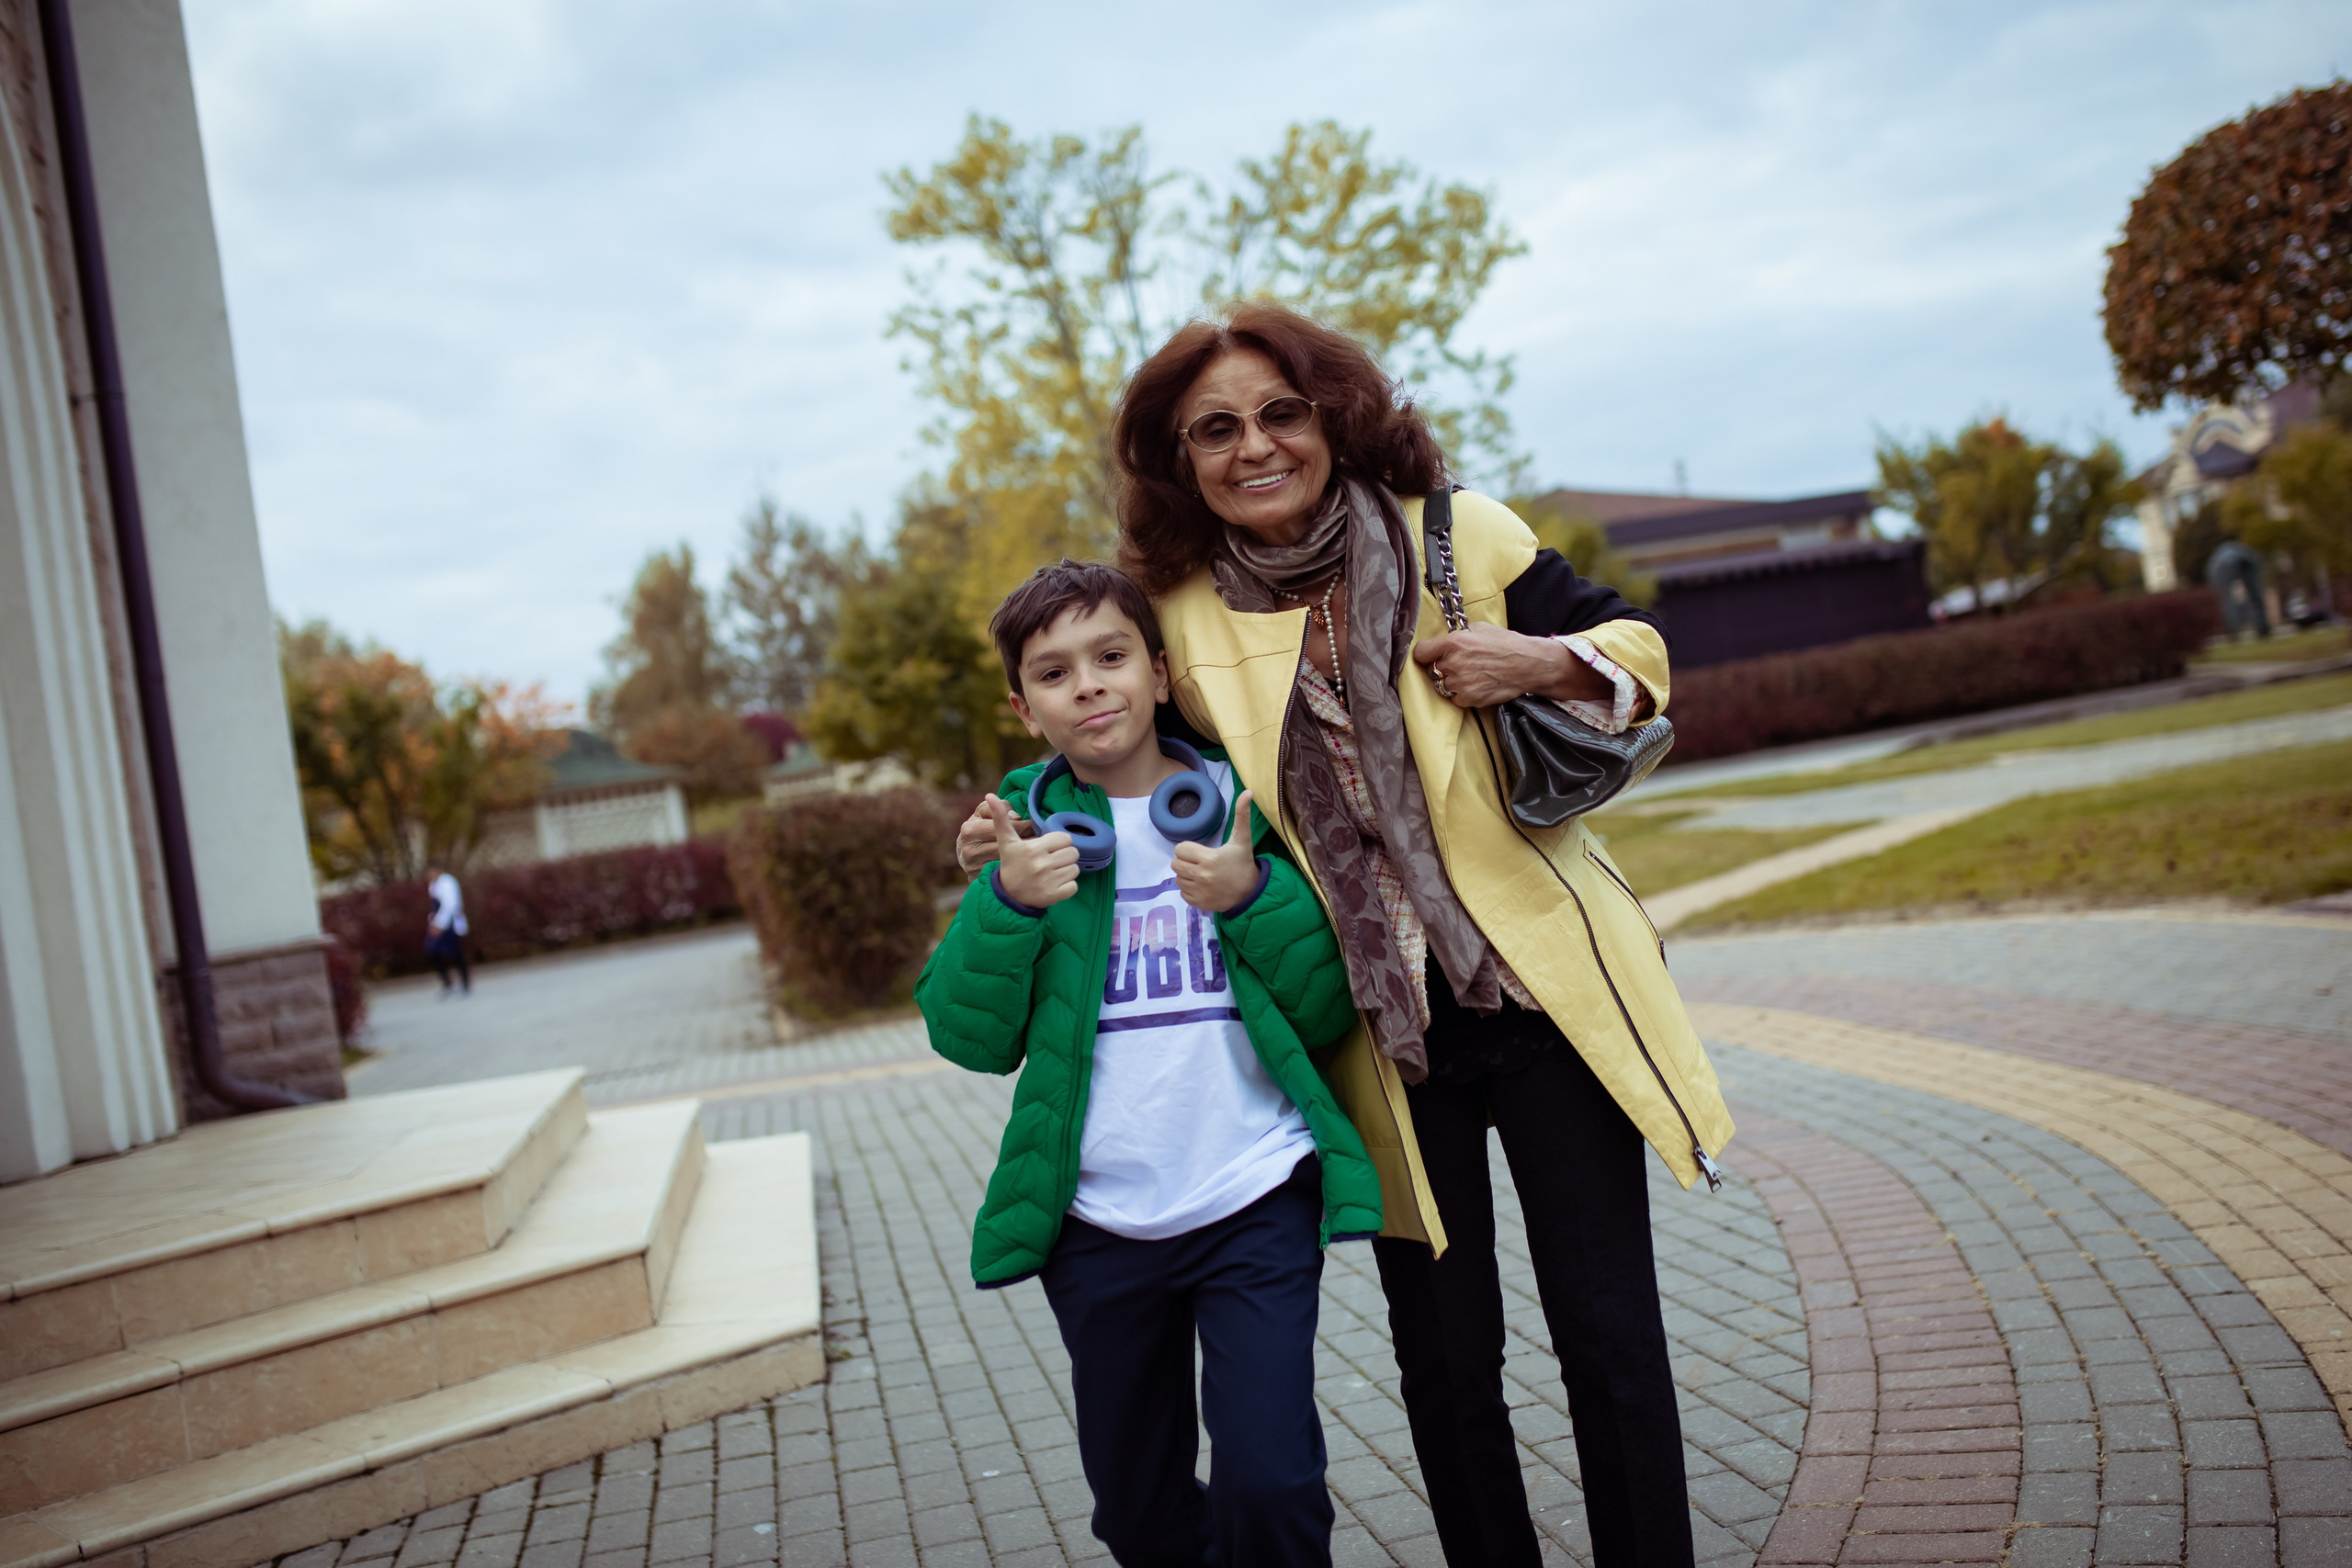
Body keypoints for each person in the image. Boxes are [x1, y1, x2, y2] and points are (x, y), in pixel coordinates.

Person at [1110, 301, 1732, 1568]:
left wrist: (1540, 660)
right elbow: (1108, 755)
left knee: (1609, 1330)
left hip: (1543, 999)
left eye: (1282, 412)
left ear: (1331, 416)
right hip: (1379, 1035)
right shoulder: (1173, 618)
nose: (1256, 445)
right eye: (1216, 428)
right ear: (1180, 459)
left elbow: (1644, 652)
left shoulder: (1457, 530)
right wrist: (1014, 845)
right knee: (1447, 1361)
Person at [918, 560, 1383, 1567]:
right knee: (1137, 1512)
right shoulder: (1027, 845)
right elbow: (968, 1037)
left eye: (1111, 655)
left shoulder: (1240, 805)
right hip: (1098, 1227)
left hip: (1251, 1194)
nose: (1087, 684)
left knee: (1270, 1482)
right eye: (1053, 672)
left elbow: (1326, 1011)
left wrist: (1254, 894)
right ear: (1024, 707)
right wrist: (1006, 908)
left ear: (1161, 674)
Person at [424, 860, 470, 996]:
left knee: (456, 954)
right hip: (438, 923)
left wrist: (439, 925)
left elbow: (450, 905)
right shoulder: (433, 885)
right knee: (432, 953)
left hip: (449, 924)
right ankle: (447, 983)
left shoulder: (447, 882)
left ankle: (465, 984)